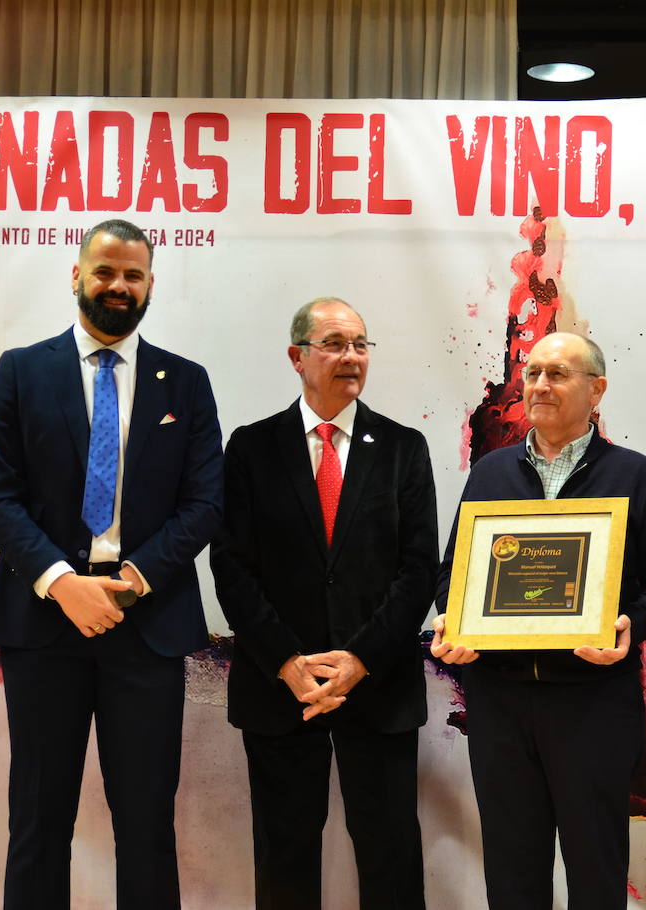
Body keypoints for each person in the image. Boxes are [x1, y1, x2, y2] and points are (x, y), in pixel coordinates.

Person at [0, 218, 223, 909]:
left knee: (146, 825)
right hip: (43, 625)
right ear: (77, 275)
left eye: (133, 275)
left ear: (150, 284)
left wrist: (131, 581)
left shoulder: (188, 384)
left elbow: (205, 505)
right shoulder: (20, 372)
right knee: (38, 821)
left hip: (147, 627)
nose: (118, 285)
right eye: (105, 271)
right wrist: (63, 584)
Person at [430, 331, 646, 910]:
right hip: (500, 703)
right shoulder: (491, 473)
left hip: (592, 701)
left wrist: (630, 626)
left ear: (597, 389)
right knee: (512, 869)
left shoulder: (635, 474)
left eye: (558, 374)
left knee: (595, 872)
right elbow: (453, 572)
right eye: (533, 373)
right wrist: (455, 621)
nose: (540, 385)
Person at [210, 298, 437, 910]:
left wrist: (360, 658)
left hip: (378, 683)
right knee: (284, 856)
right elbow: (230, 566)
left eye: (361, 344)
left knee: (390, 852)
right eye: (335, 343)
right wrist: (287, 660)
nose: (351, 357)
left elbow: (419, 571)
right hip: (281, 687)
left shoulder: (402, 448)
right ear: (298, 357)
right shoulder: (253, 448)